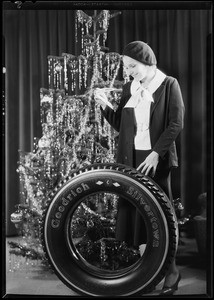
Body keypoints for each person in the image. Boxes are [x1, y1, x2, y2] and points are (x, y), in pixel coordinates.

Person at [94, 41, 185, 295]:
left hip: (154, 158)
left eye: (132, 66)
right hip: (130, 159)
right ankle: (149, 274)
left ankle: (173, 271)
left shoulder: (168, 85)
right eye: (126, 66)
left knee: (160, 217)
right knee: (135, 216)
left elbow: (176, 123)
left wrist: (157, 153)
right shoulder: (129, 87)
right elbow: (121, 126)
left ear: (147, 62)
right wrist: (104, 105)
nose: (129, 70)